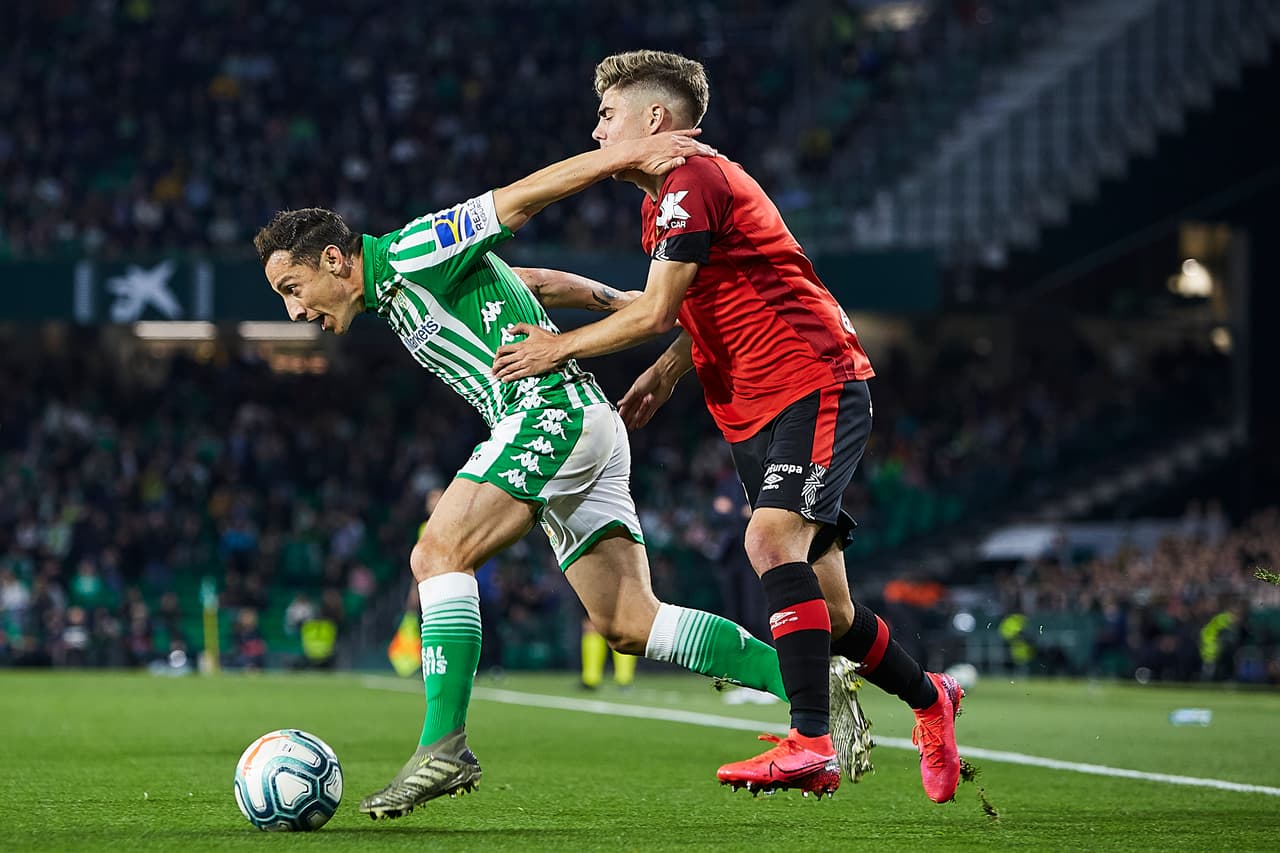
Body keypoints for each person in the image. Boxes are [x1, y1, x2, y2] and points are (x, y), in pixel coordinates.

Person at [252, 131, 868, 820]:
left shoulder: (412, 248)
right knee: (629, 622)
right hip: (586, 425)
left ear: (334, 259)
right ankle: (809, 680)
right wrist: (621, 302)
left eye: (293, 288)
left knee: (437, 552)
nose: (295, 311)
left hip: (548, 412)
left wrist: (617, 157)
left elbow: (519, 200)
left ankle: (442, 746)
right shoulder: (399, 293)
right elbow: (536, 282)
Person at [492, 49, 963, 803]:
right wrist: (667, 371)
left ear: (656, 120)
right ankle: (933, 699)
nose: (596, 129)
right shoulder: (660, 201)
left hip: (814, 378)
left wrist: (556, 346)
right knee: (836, 613)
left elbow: (650, 312)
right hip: (750, 405)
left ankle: (811, 742)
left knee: (768, 540)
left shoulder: (695, 179)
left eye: (608, 116)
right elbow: (691, 308)